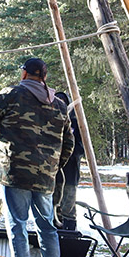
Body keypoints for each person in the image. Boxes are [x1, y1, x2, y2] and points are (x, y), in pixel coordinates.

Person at [0, 58, 73, 257]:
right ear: (45, 77)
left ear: (23, 74)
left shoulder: (9, 95)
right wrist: (53, 167)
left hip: (14, 174)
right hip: (45, 177)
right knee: (47, 228)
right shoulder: (59, 105)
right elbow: (69, 144)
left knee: (17, 226)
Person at [51, 90, 83, 231]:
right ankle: (55, 227)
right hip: (53, 170)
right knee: (54, 200)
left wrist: (68, 153)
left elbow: (81, 147)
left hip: (70, 170)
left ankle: (70, 228)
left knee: (68, 202)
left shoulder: (76, 122)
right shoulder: (50, 120)